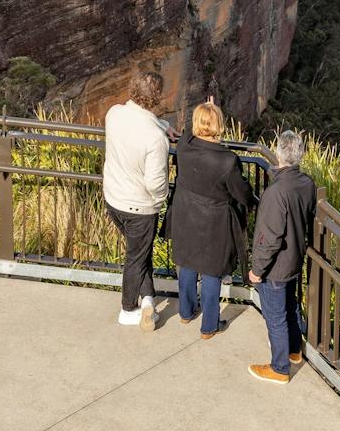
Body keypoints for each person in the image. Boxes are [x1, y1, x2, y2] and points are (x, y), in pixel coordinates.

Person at [167, 98, 255, 339]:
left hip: (185, 215)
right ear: (219, 125)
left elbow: (188, 134)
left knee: (187, 262)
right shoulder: (227, 160)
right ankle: (209, 326)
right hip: (213, 222)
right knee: (211, 271)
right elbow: (241, 192)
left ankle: (186, 312)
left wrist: (206, 109)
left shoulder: (184, 145)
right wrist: (252, 200)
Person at [247, 129, 317, 384]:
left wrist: (257, 270)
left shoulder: (276, 192)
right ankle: (294, 350)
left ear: (277, 154)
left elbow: (270, 238)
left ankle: (279, 368)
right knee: (290, 306)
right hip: (294, 259)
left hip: (276, 266)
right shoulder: (306, 183)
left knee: (275, 318)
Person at [103, 71, 171, 330]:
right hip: (140, 208)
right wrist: (161, 199)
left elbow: (139, 121)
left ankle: (148, 299)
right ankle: (128, 309)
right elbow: (155, 184)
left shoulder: (114, 114)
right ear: (157, 97)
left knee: (140, 252)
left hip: (113, 200)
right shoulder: (155, 139)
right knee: (136, 257)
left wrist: (163, 125)